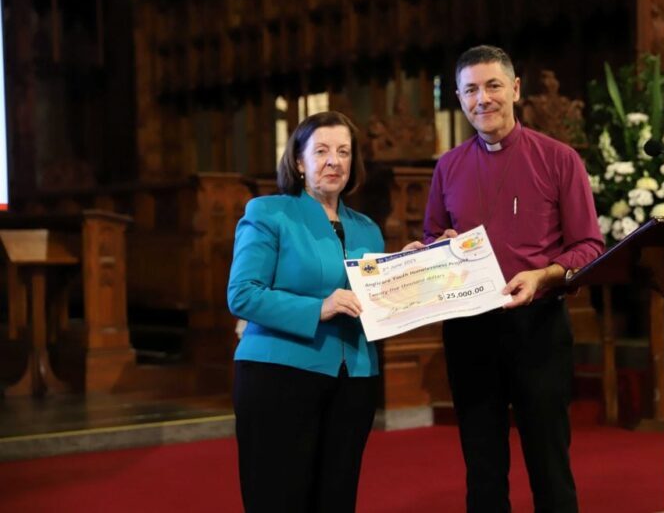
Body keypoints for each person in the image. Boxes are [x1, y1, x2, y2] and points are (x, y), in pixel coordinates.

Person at [421, 45, 604, 512]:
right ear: (460, 100)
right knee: (482, 465)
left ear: (515, 89)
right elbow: (431, 238)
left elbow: (589, 246)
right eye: (470, 90)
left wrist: (543, 276)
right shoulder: (448, 166)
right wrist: (428, 251)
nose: (482, 99)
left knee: (548, 461)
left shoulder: (560, 159)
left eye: (493, 85)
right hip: (468, 329)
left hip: (537, 326)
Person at [228, 111, 384, 513]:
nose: (335, 161)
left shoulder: (367, 227)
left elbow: (377, 295)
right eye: (322, 151)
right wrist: (320, 307)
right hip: (279, 377)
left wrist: (416, 267)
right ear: (299, 161)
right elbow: (242, 295)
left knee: (337, 499)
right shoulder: (268, 212)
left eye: (344, 152)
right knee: (279, 499)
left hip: (354, 381)